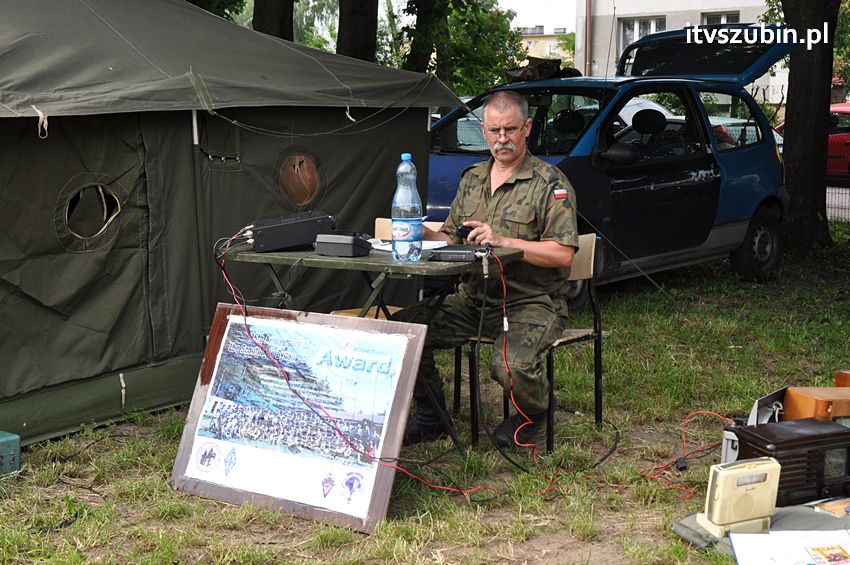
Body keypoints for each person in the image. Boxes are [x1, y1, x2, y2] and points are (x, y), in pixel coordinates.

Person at [396, 91, 579, 447]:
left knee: (511, 367)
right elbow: (451, 237)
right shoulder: (473, 179)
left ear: (527, 128)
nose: (502, 139)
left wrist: (503, 241)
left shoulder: (549, 183)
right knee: (404, 333)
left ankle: (535, 412)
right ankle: (432, 416)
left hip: (532, 302)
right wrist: (419, 231)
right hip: (474, 300)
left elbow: (562, 255)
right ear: (483, 130)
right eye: (494, 130)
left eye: (510, 129)